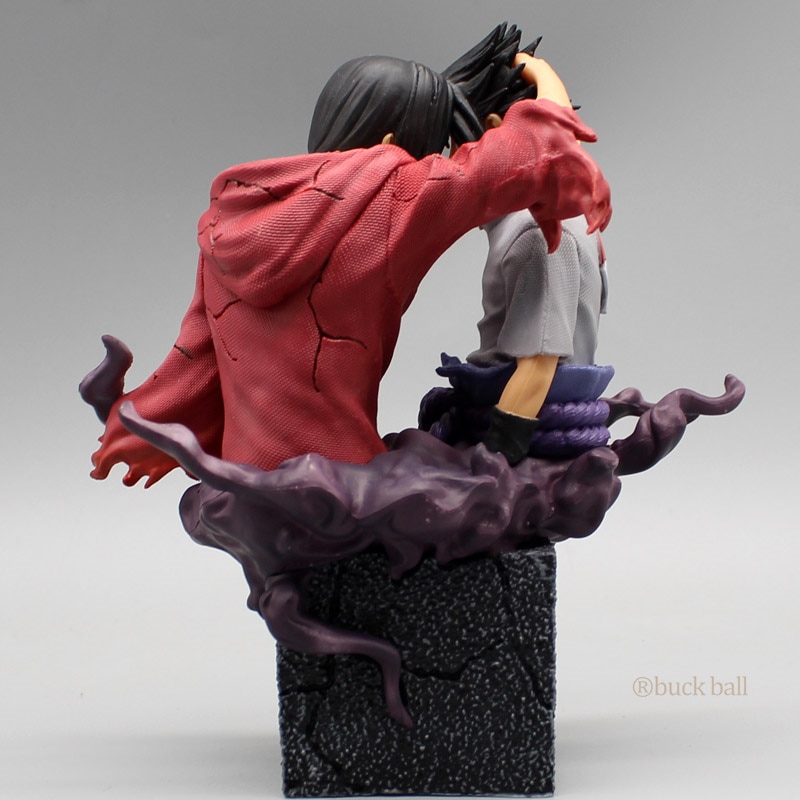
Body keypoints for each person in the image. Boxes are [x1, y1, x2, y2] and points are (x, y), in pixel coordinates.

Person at [83, 25, 611, 487]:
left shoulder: (229, 216)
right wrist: (541, 75)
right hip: (342, 481)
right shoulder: (394, 194)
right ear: (389, 142)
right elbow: (527, 151)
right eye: (428, 146)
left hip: (251, 479)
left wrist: (140, 424)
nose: (433, 160)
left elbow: (196, 361)